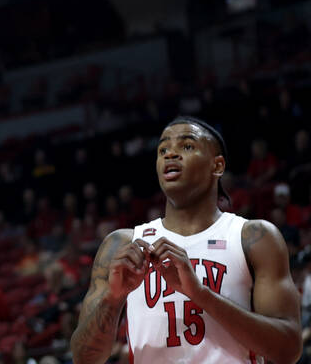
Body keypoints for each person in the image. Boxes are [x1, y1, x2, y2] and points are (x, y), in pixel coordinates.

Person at [69, 117, 302, 364]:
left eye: (187, 146)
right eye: (163, 149)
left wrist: (200, 294)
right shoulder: (122, 244)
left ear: (218, 166)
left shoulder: (254, 238)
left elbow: (288, 350)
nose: (171, 154)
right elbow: (83, 358)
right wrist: (113, 299)